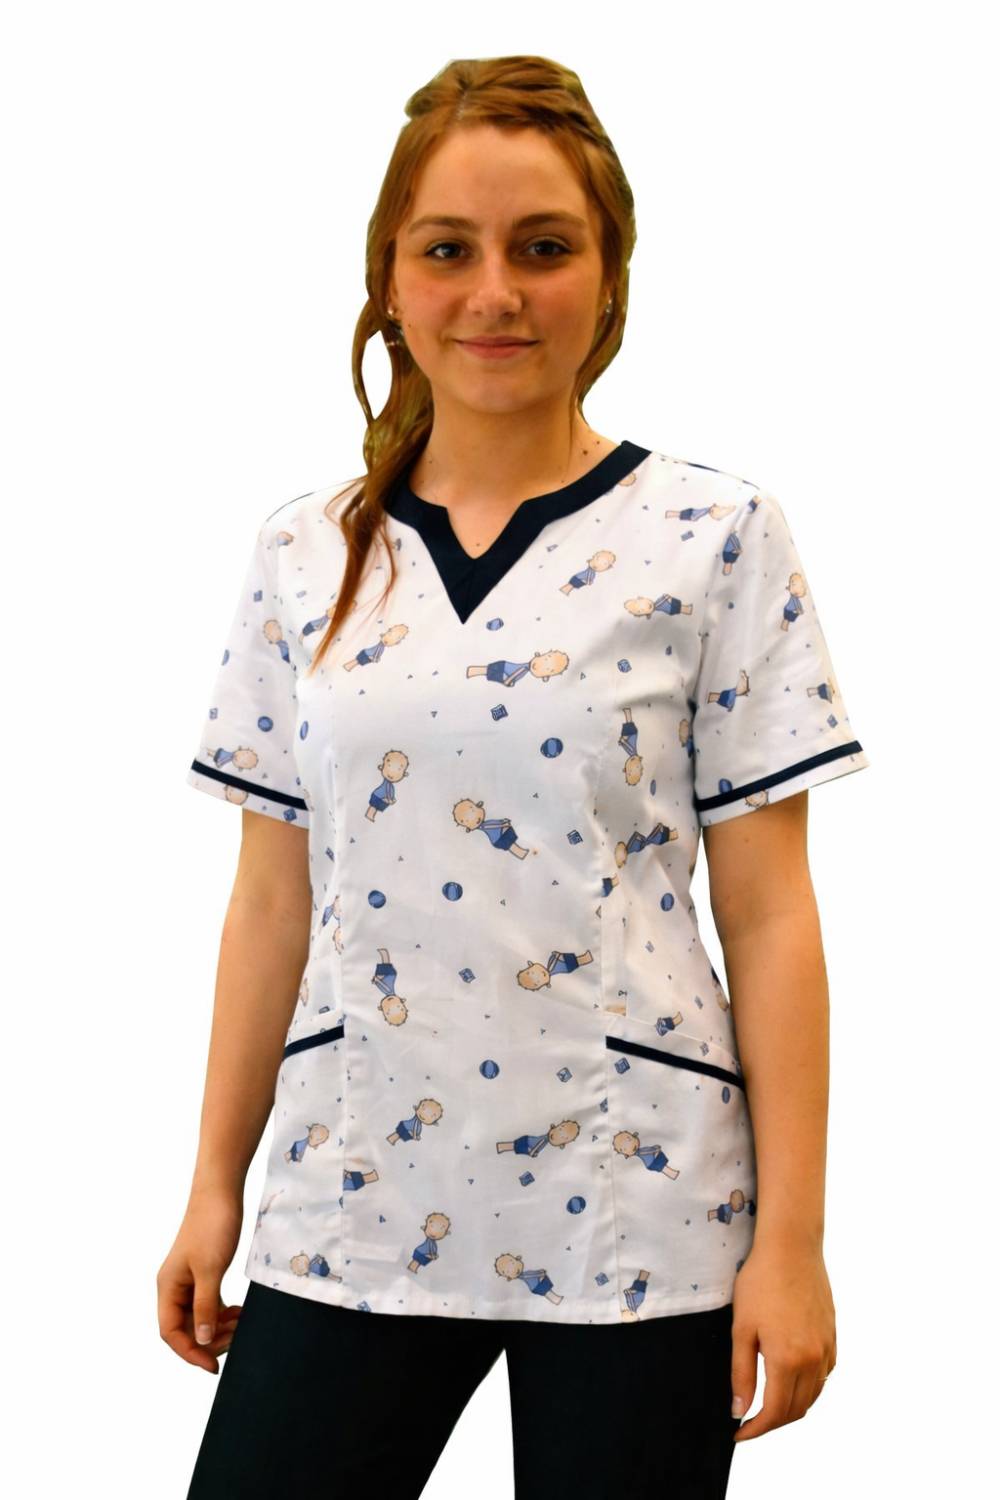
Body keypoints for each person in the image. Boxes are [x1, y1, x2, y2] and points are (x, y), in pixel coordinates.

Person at [161, 54, 869, 1499]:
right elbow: (271, 904)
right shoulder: (306, 553)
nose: (495, 293)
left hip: (639, 1205)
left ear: (607, 277)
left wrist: (792, 1242)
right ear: (390, 279)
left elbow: (772, 917)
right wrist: (213, 1185)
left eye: (544, 248)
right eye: (448, 250)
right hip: (357, 1191)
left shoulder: (715, 537)